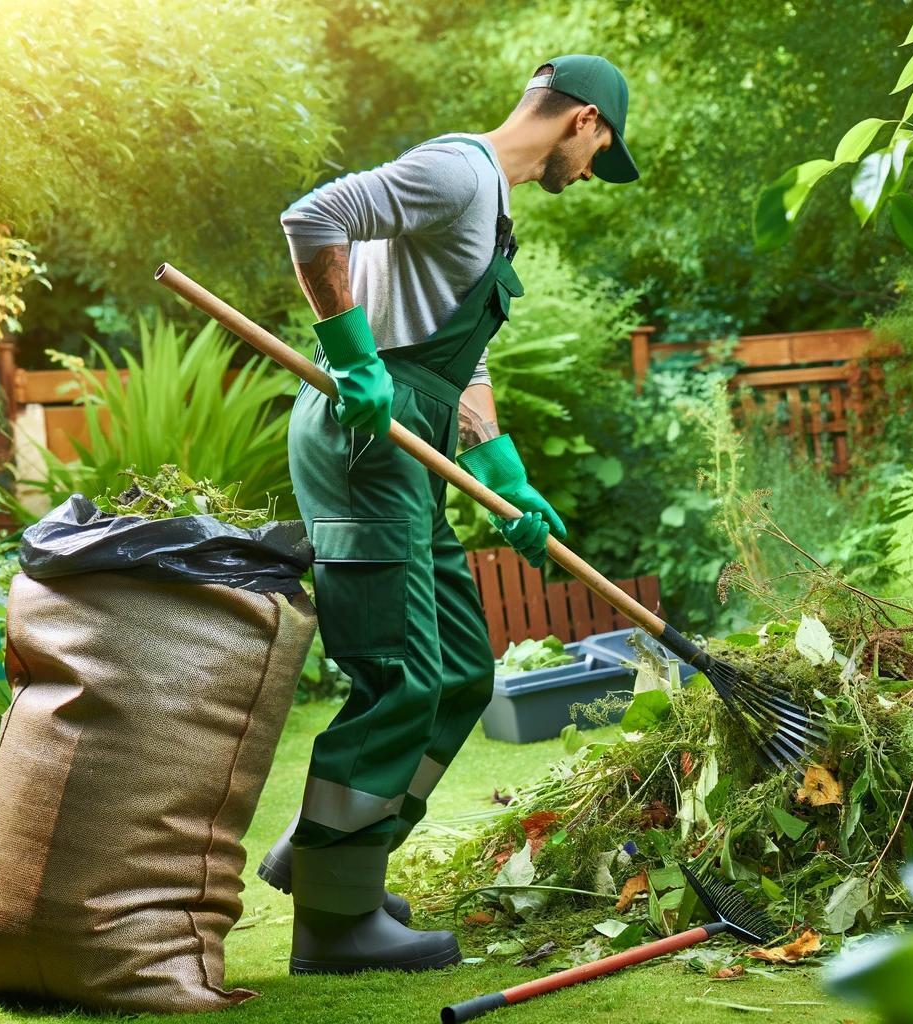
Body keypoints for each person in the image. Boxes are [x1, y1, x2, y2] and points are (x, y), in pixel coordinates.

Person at [263, 53, 639, 975]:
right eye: (600, 155)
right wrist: (352, 358)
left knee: (466, 670)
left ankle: (337, 856)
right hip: (364, 436)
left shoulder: (492, 211)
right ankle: (334, 924)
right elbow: (312, 217)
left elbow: (459, 370)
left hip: (411, 437)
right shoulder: (459, 170)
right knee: (404, 674)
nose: (588, 176)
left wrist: (508, 479)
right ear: (582, 120)